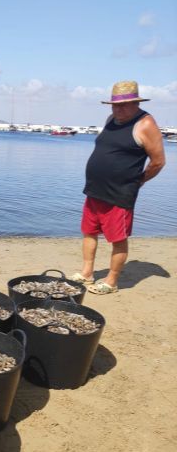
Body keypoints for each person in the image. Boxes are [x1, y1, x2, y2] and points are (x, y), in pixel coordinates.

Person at [73, 80, 165, 294]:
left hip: (119, 193)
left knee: (117, 238)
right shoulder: (111, 119)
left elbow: (158, 161)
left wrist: (138, 181)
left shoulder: (145, 124)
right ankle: (87, 272)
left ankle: (112, 281)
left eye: (123, 105)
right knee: (89, 232)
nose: (118, 109)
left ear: (136, 103)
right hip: (95, 190)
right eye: (114, 105)